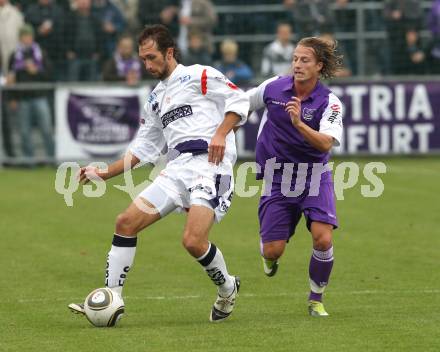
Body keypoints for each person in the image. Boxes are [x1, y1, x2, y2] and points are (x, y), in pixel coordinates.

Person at [68, 24, 249, 323]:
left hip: (211, 165)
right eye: (143, 60)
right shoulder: (155, 99)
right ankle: (112, 297)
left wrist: (220, 133)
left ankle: (228, 287)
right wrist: (104, 172)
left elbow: (239, 99)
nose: (147, 65)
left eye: (152, 57)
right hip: (176, 169)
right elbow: (144, 149)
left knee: (192, 241)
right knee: (125, 222)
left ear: (169, 52)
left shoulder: (199, 75)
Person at [247, 37, 343, 317]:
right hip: (278, 177)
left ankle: (316, 299)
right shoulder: (274, 87)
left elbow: (326, 143)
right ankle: (268, 253)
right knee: (273, 250)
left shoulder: (329, 101)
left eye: (305, 60)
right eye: (295, 59)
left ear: (319, 66)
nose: (297, 65)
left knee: (323, 239)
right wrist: (221, 131)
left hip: (315, 176)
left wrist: (299, 123)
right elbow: (243, 104)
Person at [7, 24, 54, 161]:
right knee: (24, 132)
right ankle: (29, 161)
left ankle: (52, 159)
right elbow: (11, 78)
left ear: (32, 37)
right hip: (22, 98)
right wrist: (12, 98)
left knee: (46, 129)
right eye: (24, 36)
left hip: (40, 96)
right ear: (20, 38)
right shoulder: (14, 55)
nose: (26, 39)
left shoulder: (40, 53)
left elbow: (50, 74)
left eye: (29, 36)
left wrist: (36, 71)